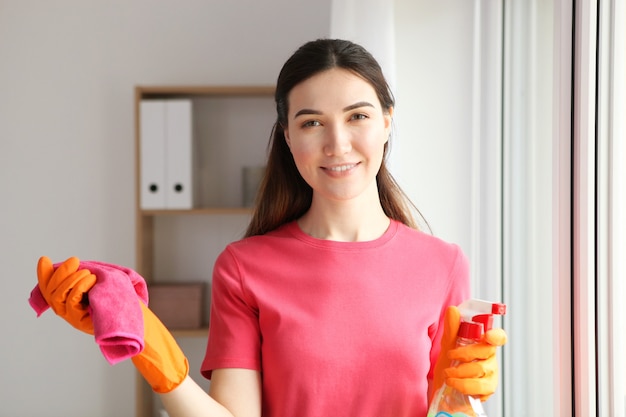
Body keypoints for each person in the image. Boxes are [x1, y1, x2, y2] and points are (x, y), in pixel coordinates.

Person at [33, 38, 506, 417]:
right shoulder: (244, 268)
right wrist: (152, 348)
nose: (337, 144)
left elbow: (450, 409)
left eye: (358, 116)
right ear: (287, 136)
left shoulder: (442, 265)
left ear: (386, 121)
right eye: (311, 123)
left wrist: (464, 400)